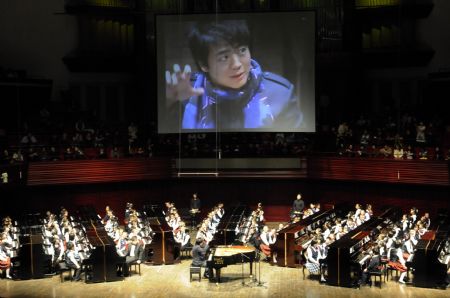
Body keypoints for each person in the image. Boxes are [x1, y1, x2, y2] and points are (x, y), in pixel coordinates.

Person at [165, 20, 302, 130]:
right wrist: (169, 102)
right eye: (224, 57)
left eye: (242, 50)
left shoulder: (280, 93)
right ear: (203, 65)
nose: (237, 64)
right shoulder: (187, 94)